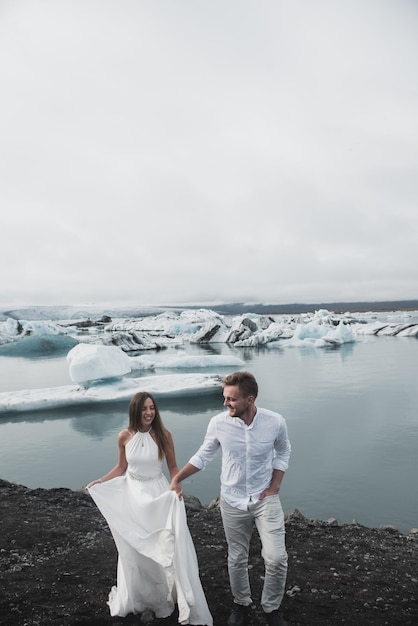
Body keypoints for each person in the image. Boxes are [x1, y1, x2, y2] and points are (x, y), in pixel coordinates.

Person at [170, 371, 291, 626]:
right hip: (232, 500)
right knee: (237, 557)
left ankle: (271, 609)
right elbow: (203, 456)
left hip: (264, 498)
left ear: (250, 399)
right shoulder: (218, 423)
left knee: (276, 557)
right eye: (224, 398)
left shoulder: (275, 422)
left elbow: (283, 450)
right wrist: (178, 478)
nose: (225, 404)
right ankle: (241, 604)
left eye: (231, 399)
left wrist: (275, 485)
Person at [86, 391, 213, 626]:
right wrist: (100, 482)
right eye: (144, 409)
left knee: (160, 545)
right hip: (132, 496)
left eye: (152, 408)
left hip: (157, 494)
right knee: (135, 548)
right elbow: (121, 467)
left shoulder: (164, 435)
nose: (149, 413)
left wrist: (176, 486)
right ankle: (139, 596)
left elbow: (173, 467)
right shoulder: (124, 436)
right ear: (136, 411)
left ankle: (162, 596)